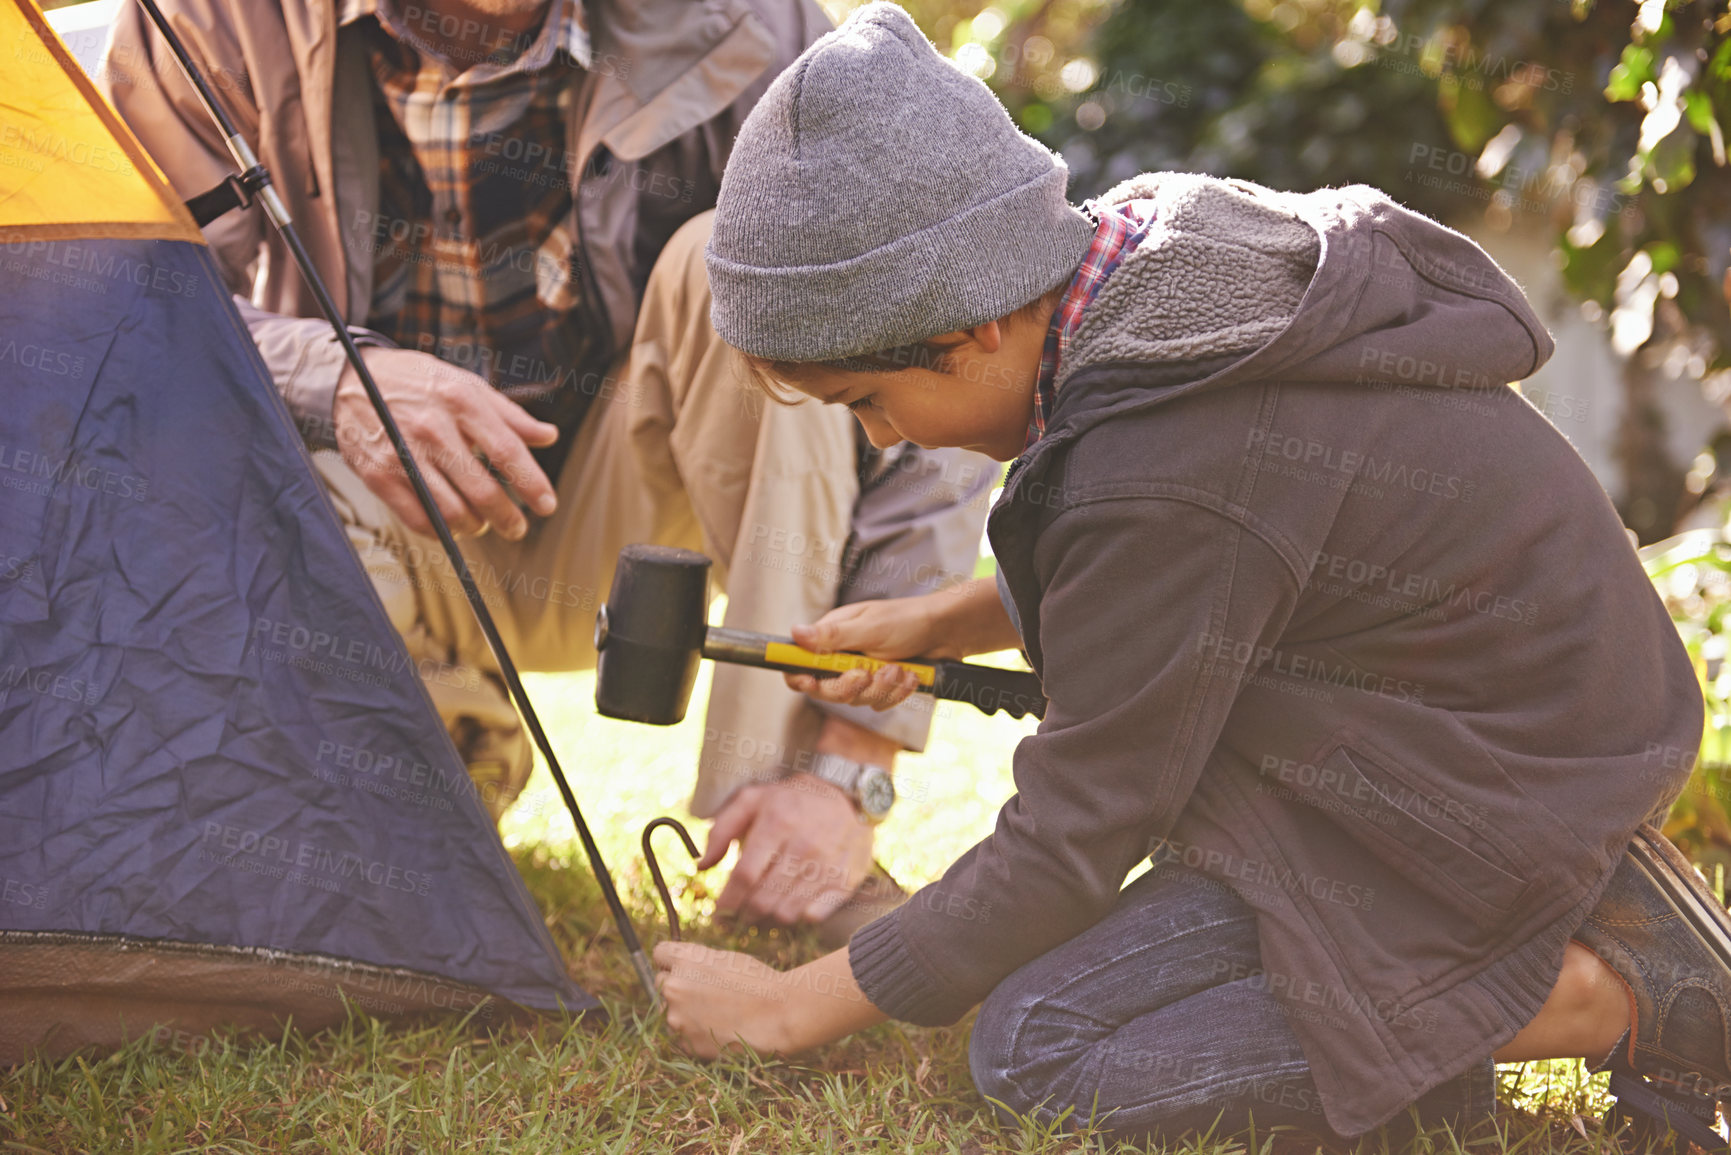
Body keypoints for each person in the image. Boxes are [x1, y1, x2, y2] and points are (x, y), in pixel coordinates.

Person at [652, 3, 1722, 1146]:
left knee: (1041, 1056)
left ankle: (1622, 989)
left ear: (967, 329)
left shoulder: (1167, 457)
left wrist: (780, 1009)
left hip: (1481, 790)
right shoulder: (1150, 280)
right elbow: (1221, 564)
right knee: (1045, 1014)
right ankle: (1539, 945)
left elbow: (1072, 836)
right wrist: (942, 620)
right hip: (1429, 756)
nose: (880, 441)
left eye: (866, 402)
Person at [99, 0, 997, 938]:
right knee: (273, 473)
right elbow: (127, 294)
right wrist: (340, 379)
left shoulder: (760, 24)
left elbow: (931, 343)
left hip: (639, 515)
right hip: (379, 526)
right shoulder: (207, 19)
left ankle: (784, 821)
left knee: (731, 272)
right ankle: (449, 736)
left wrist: (851, 767)